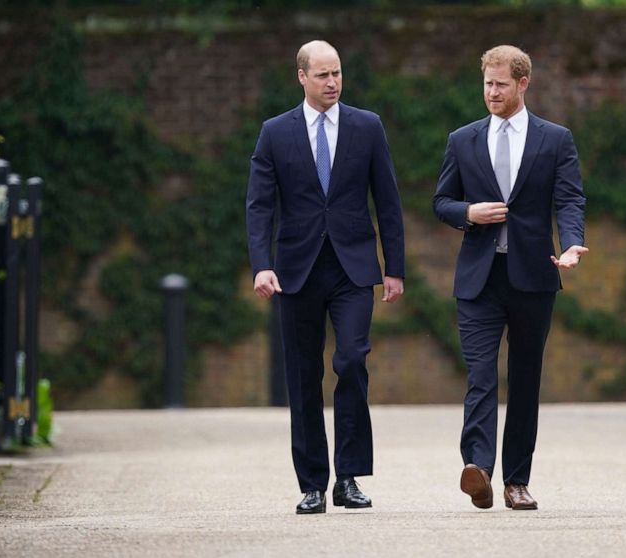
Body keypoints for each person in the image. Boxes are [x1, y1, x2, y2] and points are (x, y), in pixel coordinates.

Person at [246, 40, 405, 515]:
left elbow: (389, 200)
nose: (332, 82)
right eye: (322, 75)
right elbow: (259, 205)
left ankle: (349, 477)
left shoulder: (367, 126)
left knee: (353, 361)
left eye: (337, 74)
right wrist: (261, 264)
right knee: (302, 376)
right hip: (296, 270)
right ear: (301, 77)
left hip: (353, 267)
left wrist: (393, 267)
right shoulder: (274, 133)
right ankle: (313, 483)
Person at [433, 45, 588, 511]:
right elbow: (441, 202)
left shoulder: (555, 139)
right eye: (487, 83)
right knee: (480, 375)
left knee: (525, 378)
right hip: (479, 279)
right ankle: (478, 469)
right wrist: (469, 212)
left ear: (523, 84)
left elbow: (569, 199)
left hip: (533, 276)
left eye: (501, 84)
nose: (492, 92)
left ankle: (517, 481)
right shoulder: (462, 139)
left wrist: (573, 243)